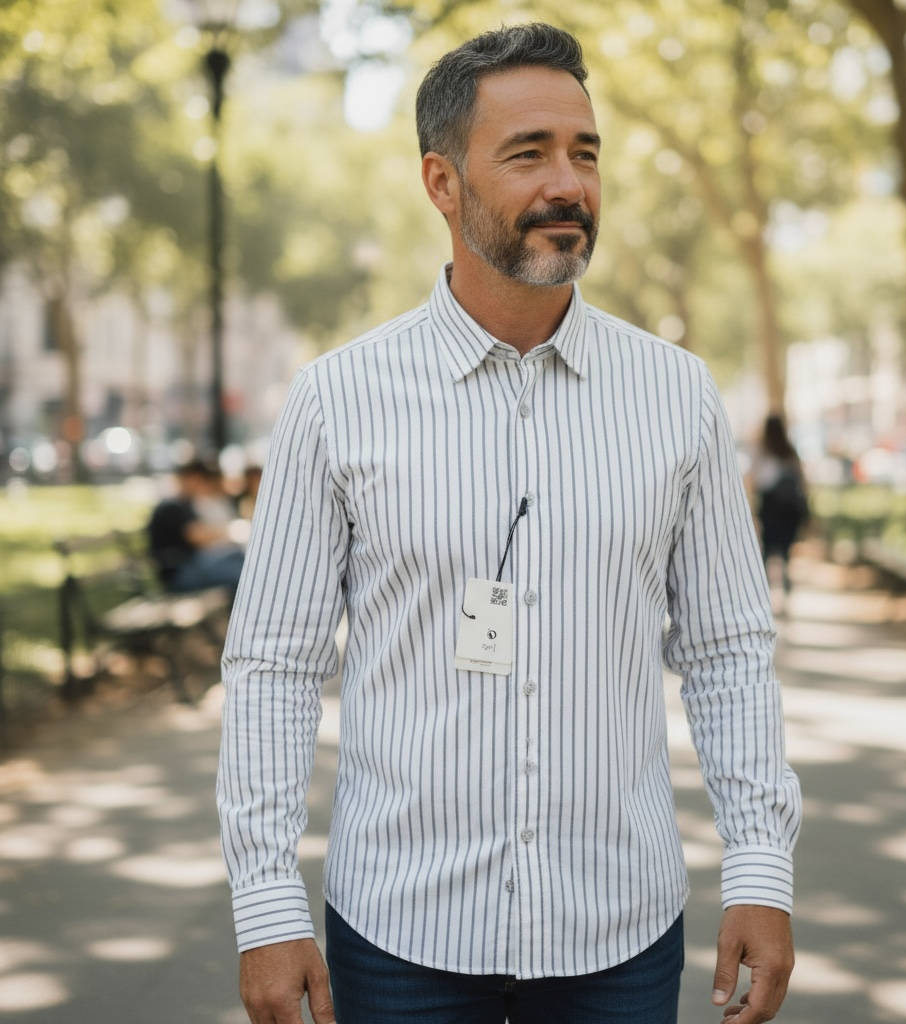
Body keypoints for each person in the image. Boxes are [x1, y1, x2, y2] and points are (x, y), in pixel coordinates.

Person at [217, 23, 800, 1024]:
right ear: (442, 184)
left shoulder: (678, 395)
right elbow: (273, 663)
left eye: (584, 152)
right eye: (528, 154)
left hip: (618, 924)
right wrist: (266, 904)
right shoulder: (335, 399)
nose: (566, 182)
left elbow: (726, 648)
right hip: (400, 927)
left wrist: (759, 863)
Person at [146, 459, 245, 596]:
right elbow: (197, 538)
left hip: (193, 565)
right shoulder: (172, 506)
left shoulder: (184, 504)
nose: (202, 485)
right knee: (240, 574)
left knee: (241, 560)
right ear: (190, 478)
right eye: (200, 480)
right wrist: (231, 531)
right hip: (180, 572)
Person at [750, 415, 809, 600]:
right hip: (789, 513)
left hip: (770, 510)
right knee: (784, 551)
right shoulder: (789, 452)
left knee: (768, 551)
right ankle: (784, 584)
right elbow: (801, 481)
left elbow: (757, 481)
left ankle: (764, 592)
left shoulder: (763, 453)